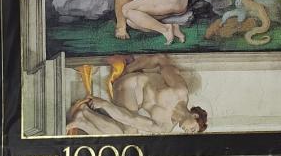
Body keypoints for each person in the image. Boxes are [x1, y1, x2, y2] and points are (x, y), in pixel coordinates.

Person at [67, 55, 207, 135]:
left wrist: (105, 105)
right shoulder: (180, 91)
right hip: (130, 83)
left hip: (131, 102)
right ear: (195, 116)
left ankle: (83, 119)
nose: (188, 132)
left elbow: (132, 119)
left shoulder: (165, 127)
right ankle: (83, 118)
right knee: (127, 132)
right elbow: (161, 59)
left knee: (129, 134)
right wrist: (128, 69)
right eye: (193, 129)